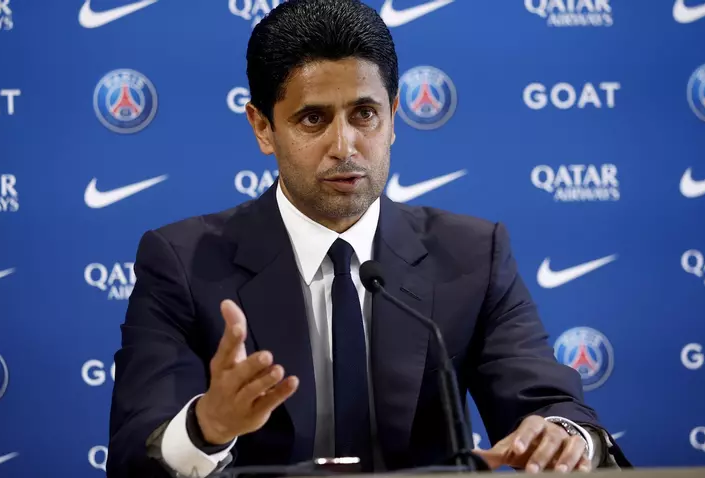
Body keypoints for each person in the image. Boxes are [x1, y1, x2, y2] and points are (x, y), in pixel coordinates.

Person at [107, 0, 632, 476]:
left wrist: (564, 437)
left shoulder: (473, 254)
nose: (345, 145)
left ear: (394, 117)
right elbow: (134, 456)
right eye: (313, 119)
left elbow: (551, 405)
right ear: (263, 127)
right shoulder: (183, 262)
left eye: (364, 114)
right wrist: (207, 427)